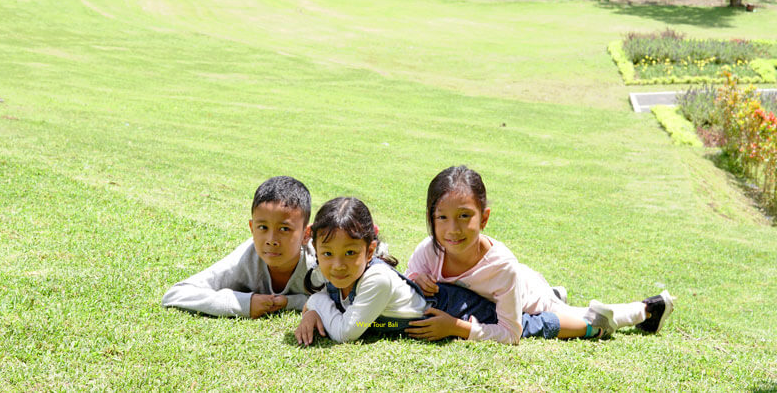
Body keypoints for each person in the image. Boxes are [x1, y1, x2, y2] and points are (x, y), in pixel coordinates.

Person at [404, 165, 674, 344]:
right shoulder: (427, 251)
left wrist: (456, 328)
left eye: (465, 216)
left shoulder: (501, 266)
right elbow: (404, 293)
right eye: (442, 217)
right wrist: (415, 277)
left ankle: (649, 309)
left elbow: (511, 334)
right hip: (512, 291)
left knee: (594, 319)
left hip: (530, 298)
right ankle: (558, 293)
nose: (453, 229)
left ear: (484, 218)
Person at [294, 197, 565, 345]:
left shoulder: (376, 279)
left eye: (350, 253)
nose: (337, 265)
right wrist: (313, 312)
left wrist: (316, 303)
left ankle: (590, 325)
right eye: (327, 254)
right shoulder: (325, 271)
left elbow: (346, 332)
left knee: (530, 325)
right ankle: (551, 295)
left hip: (454, 308)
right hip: (442, 300)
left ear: (370, 250)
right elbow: (332, 306)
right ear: (315, 248)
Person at [162, 176, 316, 318]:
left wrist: (291, 302)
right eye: (262, 227)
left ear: (306, 234)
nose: (271, 240)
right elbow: (176, 294)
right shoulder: (245, 258)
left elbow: (337, 304)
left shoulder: (321, 262)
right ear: (252, 228)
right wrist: (244, 304)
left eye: (284, 229)